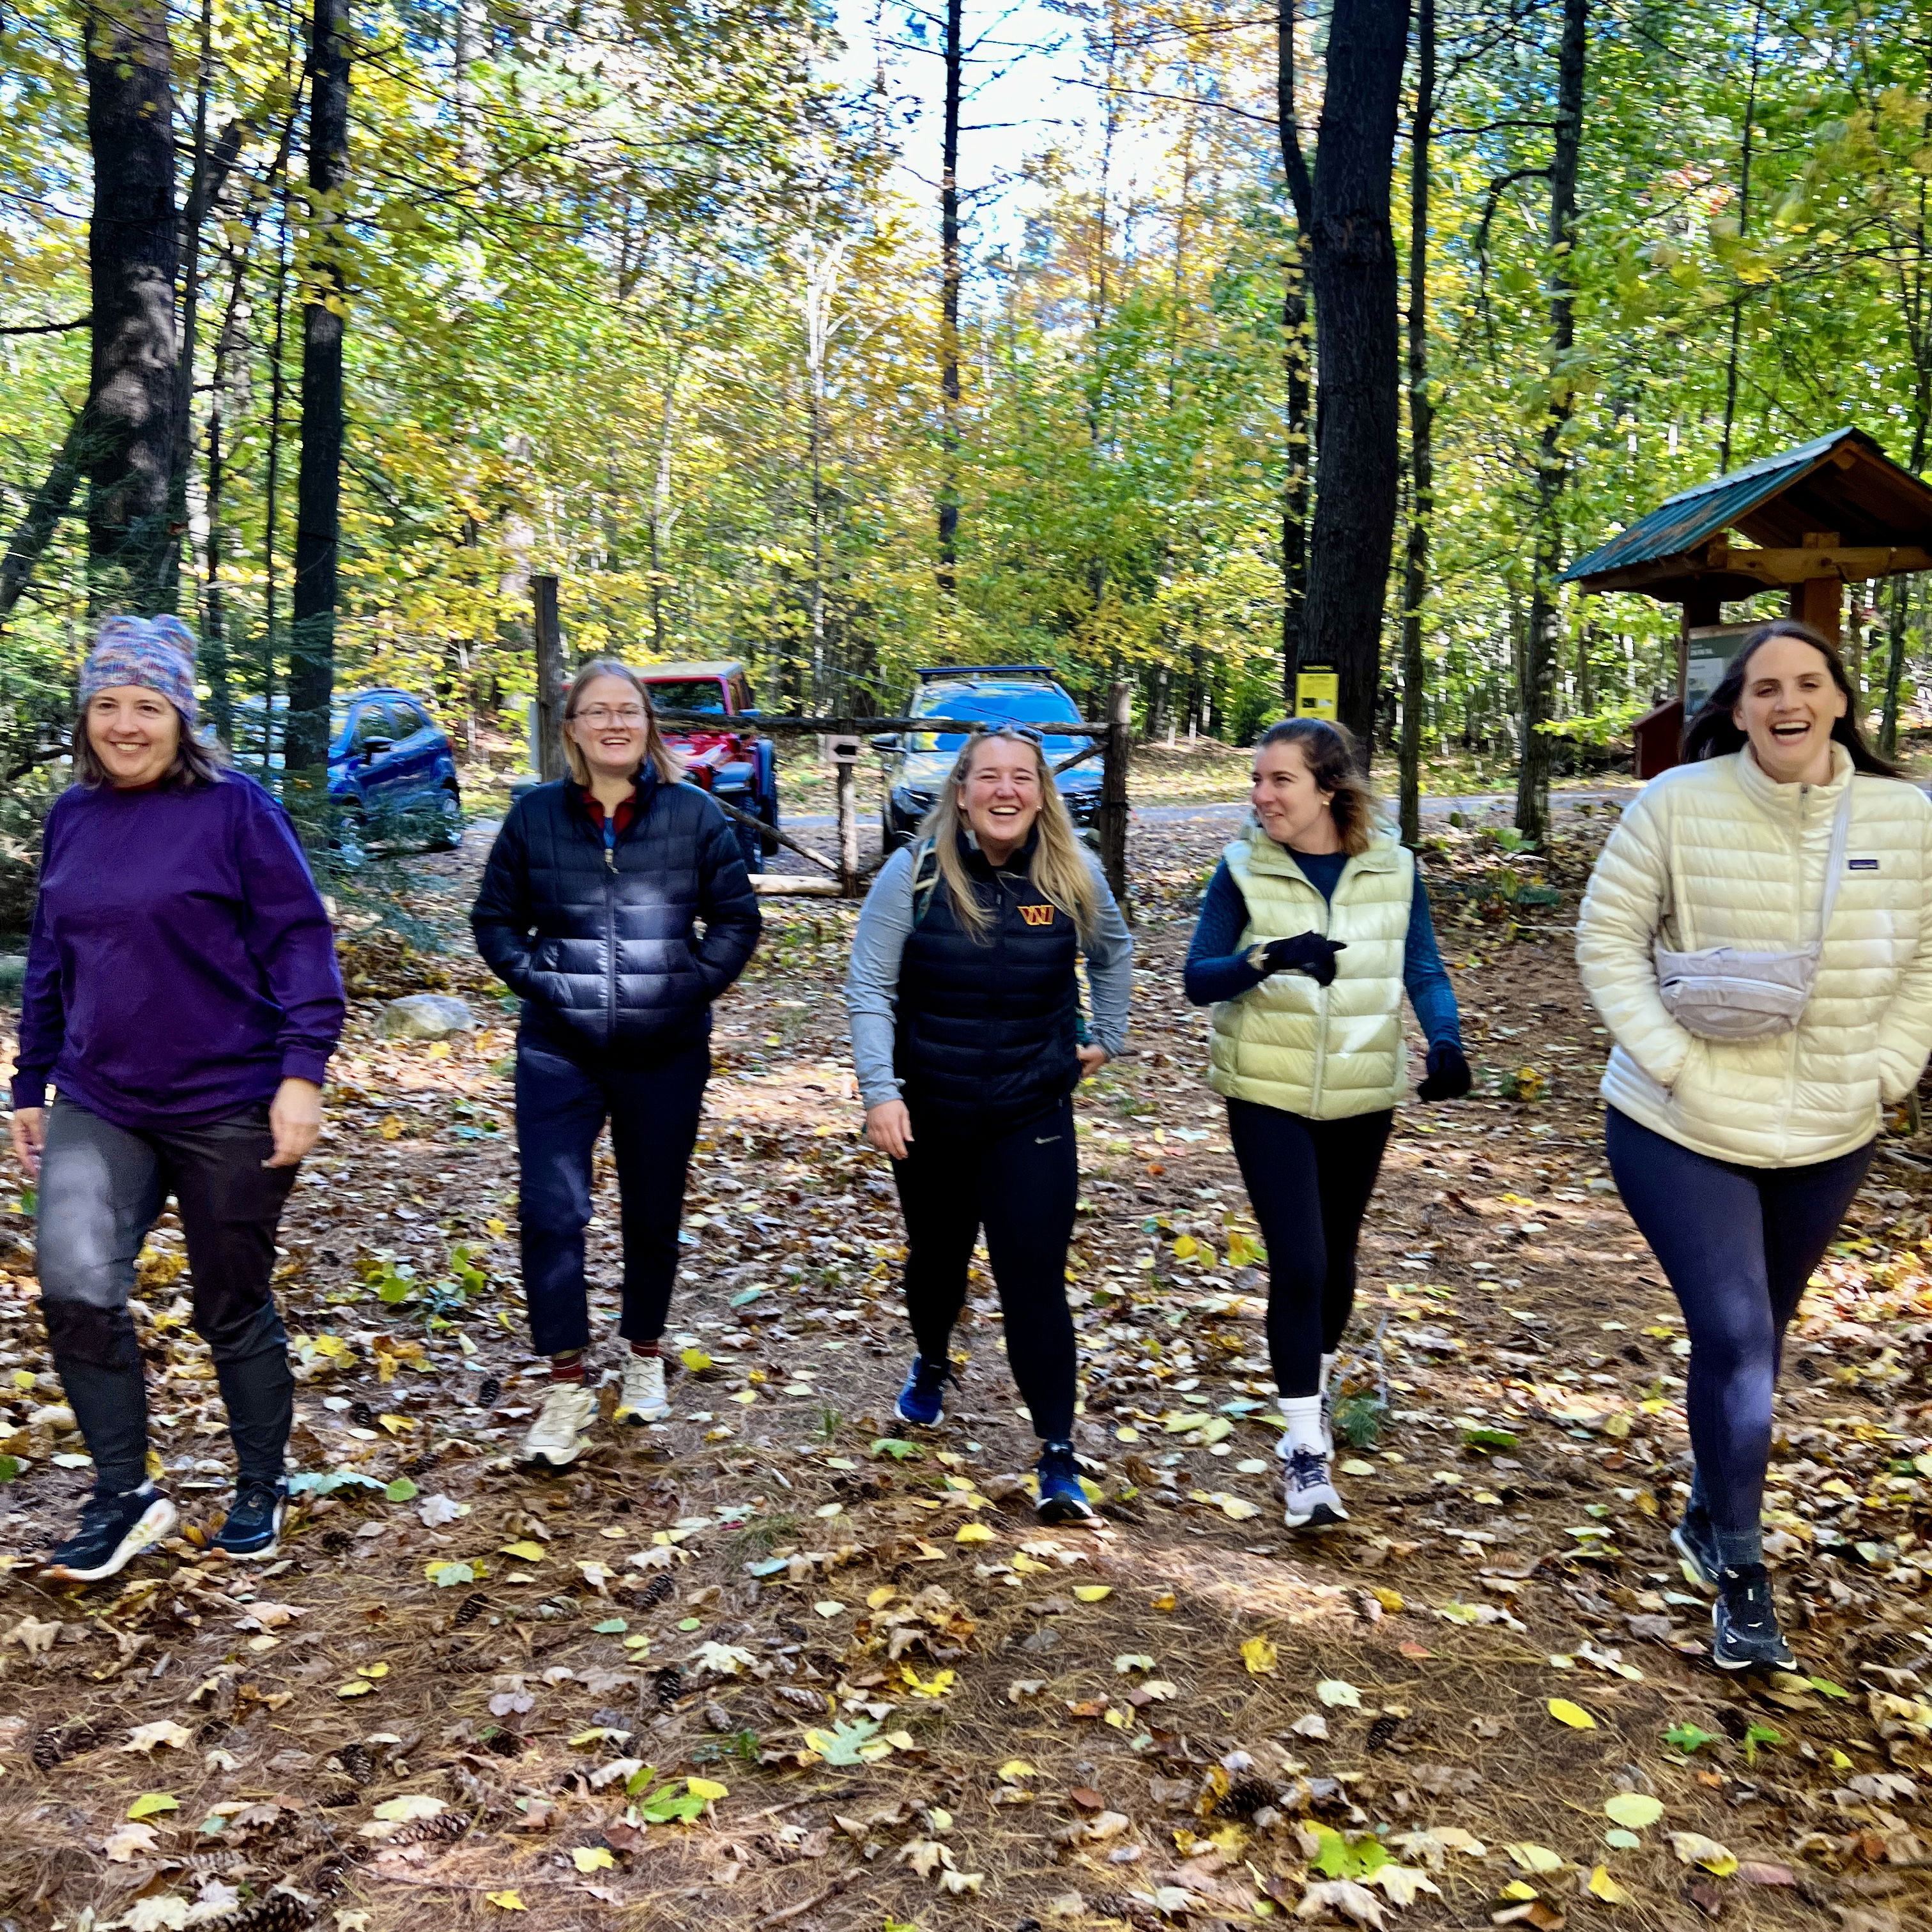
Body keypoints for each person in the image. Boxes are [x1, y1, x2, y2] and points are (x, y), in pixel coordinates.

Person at [1577, 617, 1932, 1671]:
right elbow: (1604, 937)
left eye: (1807, 682)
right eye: (1764, 685)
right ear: (1734, 708)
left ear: (1835, 701)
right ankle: (1737, 1569)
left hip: (1829, 1123)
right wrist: (1669, 1060)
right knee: (1735, 1332)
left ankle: (1703, 1509)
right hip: (1677, 1122)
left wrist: (1886, 1070)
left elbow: (1921, 956)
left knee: (1755, 1339)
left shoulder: (1902, 816)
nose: (1786, 699)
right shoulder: (1672, 804)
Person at [8, 615, 345, 1581]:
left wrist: (301, 1073)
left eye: (145, 706)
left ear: (181, 718)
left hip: (230, 1098)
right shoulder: (73, 816)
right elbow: (52, 956)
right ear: (86, 719)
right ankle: (124, 1493)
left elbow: (298, 942)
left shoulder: (237, 811)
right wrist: (30, 1080)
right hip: (102, 1095)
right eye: (106, 705)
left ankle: (259, 1483)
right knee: (74, 1286)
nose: (124, 724)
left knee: (229, 1301)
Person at [472, 659, 759, 1467]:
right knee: (551, 1213)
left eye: (627, 711)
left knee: (652, 1207)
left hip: (663, 1048)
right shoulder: (533, 818)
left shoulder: (695, 816)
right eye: (595, 713)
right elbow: (494, 920)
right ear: (572, 730)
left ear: (646, 726)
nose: (613, 724)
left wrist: (689, 986)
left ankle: (642, 1357)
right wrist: (543, 982)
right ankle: (566, 1379)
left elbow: (737, 918)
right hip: (558, 1050)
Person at [1184, 717, 1468, 1532]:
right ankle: (1303, 1449)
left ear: (1328, 788)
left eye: (1280, 781)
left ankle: (1316, 1377)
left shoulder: (1394, 868)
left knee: (1338, 1260)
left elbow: (1423, 968)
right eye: (1258, 780)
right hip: (1265, 1090)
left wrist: (1446, 1043)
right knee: (1300, 1261)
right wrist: (1268, 957)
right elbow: (1198, 979)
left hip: (1362, 1091)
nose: (1262, 796)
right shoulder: (1242, 868)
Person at [846, 726, 1132, 1523]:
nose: (1005, 792)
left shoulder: (1075, 875)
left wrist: (1107, 1033)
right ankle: (933, 1361)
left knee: (1033, 1278)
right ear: (962, 792)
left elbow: (1113, 952)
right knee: (937, 1262)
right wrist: (881, 1092)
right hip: (930, 1112)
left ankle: (1058, 1454)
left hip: (1030, 1110)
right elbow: (870, 987)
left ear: (1041, 793)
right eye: (988, 778)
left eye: (1022, 778)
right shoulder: (915, 873)